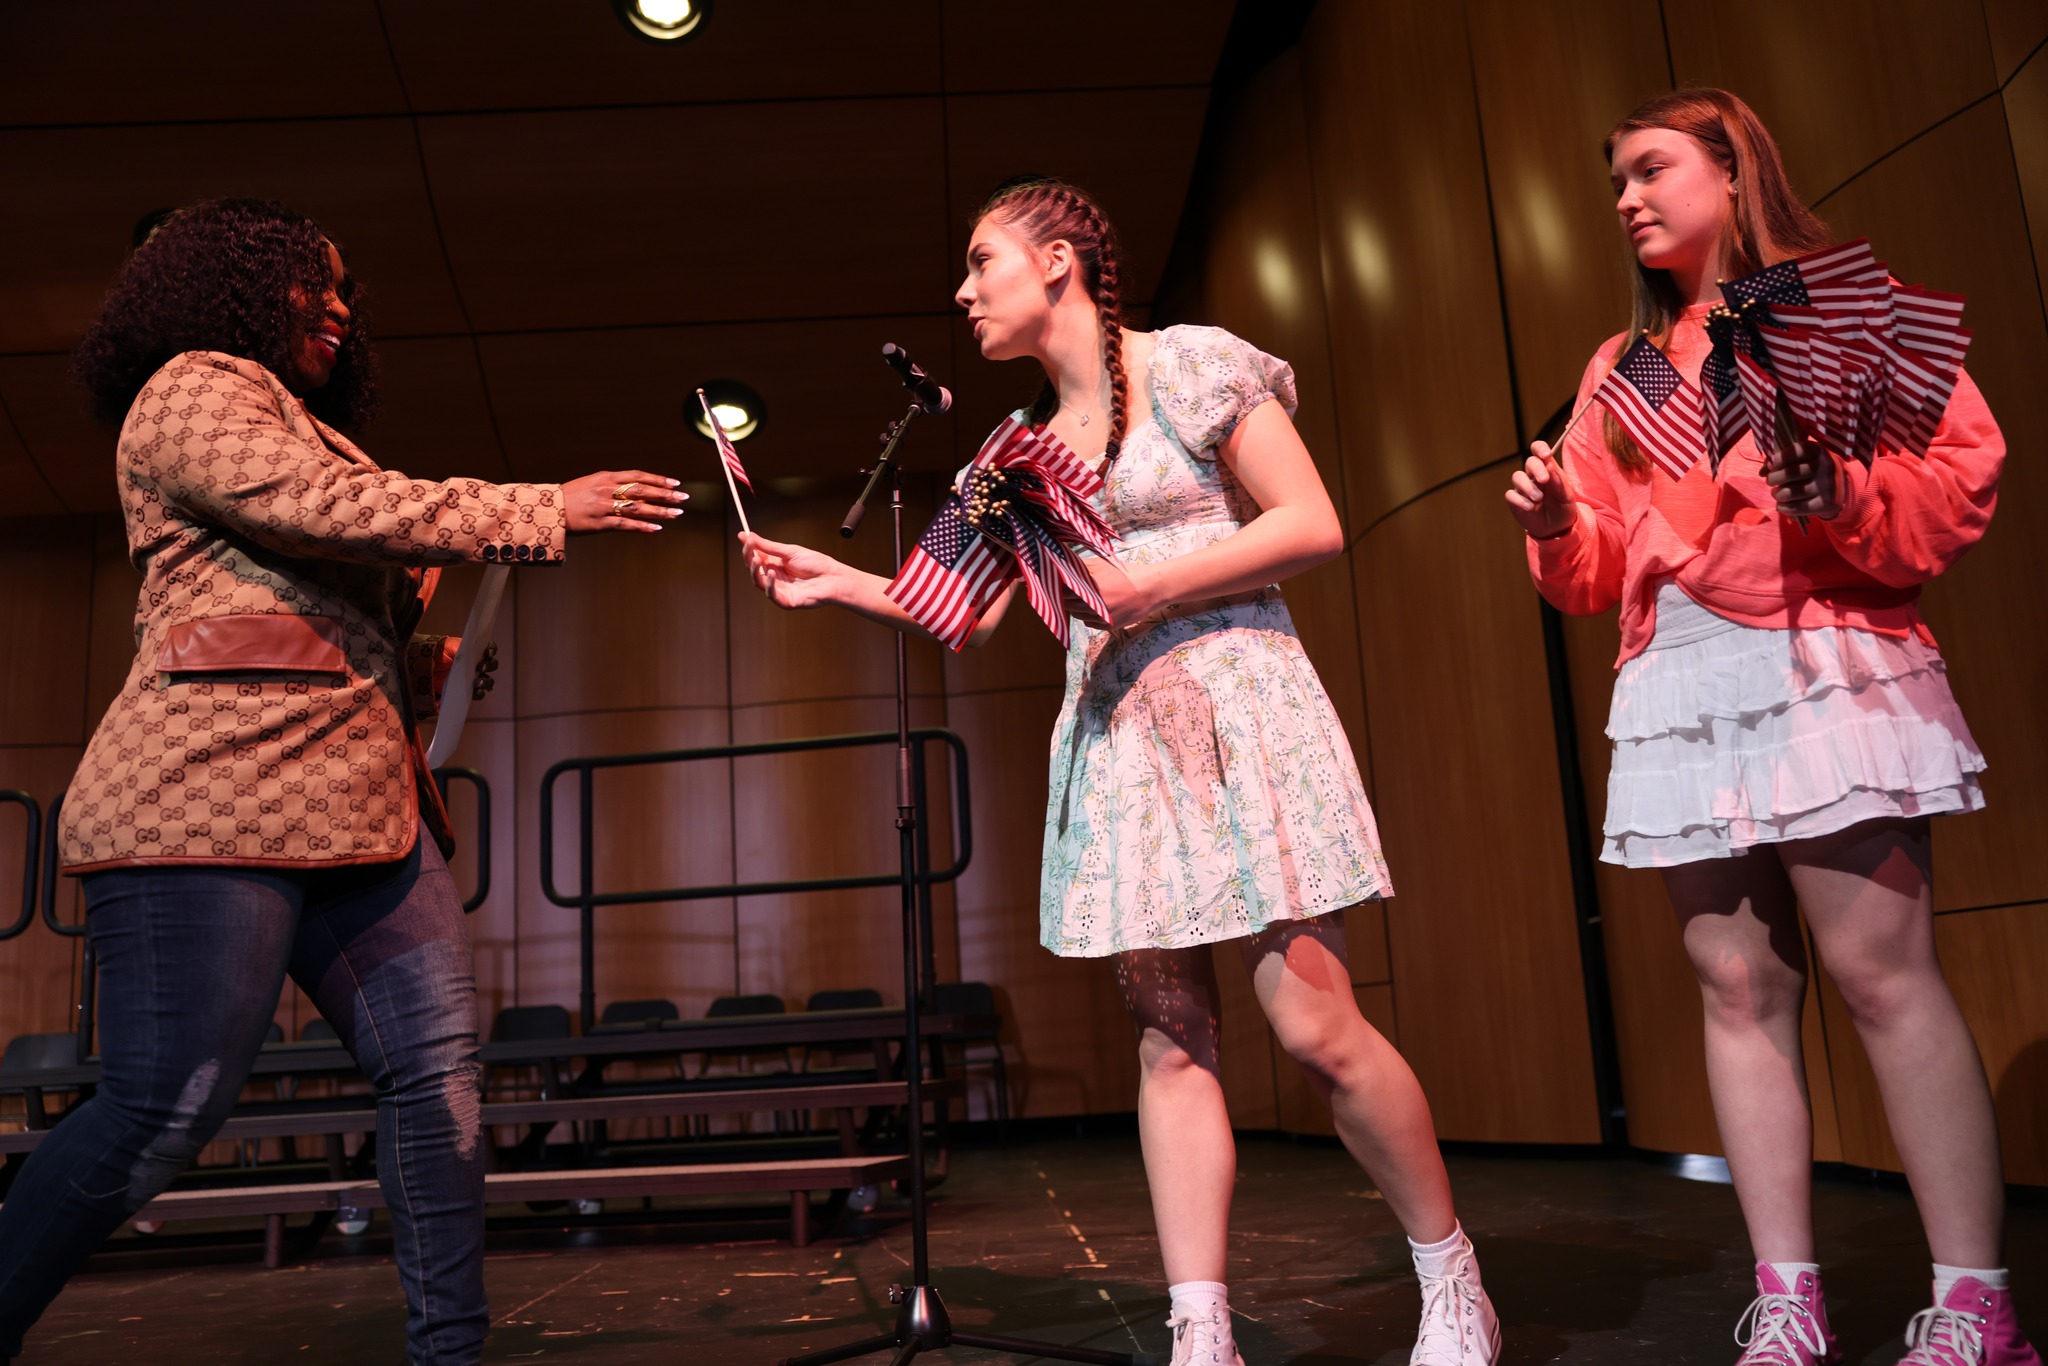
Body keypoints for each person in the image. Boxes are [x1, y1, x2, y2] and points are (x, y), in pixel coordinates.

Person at [742, 176, 1500, 1366]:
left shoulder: (1192, 363)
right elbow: (965, 613)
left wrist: (1150, 585)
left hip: (1240, 711)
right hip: (1121, 737)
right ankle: (1199, 1328)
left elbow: (1308, 522)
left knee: (1312, 1024)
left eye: (979, 259)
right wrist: (835, 582)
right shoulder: (1018, 451)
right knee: (1168, 1031)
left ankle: (1449, 1275)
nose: (962, 288)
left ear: (1054, 261)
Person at [0, 197, 687, 1366]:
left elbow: (290, 605)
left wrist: (415, 662)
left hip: (360, 814)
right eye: (309, 284)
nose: (335, 305)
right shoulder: (193, 386)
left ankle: (449, 1354)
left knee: (437, 1081)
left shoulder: (310, 423)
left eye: (345, 291)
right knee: (166, 1109)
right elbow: (319, 512)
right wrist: (536, 510)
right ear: (231, 287)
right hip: (204, 805)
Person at [1506, 90, 2036, 1366]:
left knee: (1877, 973)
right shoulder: (1619, 365)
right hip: (1679, 675)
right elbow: (1597, 563)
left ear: (1732, 171)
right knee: (1734, 984)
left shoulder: (1837, 312)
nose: (1625, 197)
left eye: (1648, 168)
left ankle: (1973, 1302)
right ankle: (1787, 1301)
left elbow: (1955, 478)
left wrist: (1841, 488)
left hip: (1818, 658)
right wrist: (1547, 527)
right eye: (1614, 181)